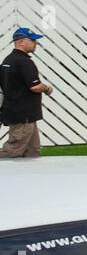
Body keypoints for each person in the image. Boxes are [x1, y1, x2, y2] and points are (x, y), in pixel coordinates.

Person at [1, 27, 54, 158]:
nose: (36, 43)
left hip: (21, 114)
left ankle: (31, 178)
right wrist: (47, 88)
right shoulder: (24, 62)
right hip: (23, 116)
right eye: (33, 40)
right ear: (21, 42)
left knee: (33, 152)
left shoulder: (8, 61)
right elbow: (35, 86)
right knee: (12, 151)